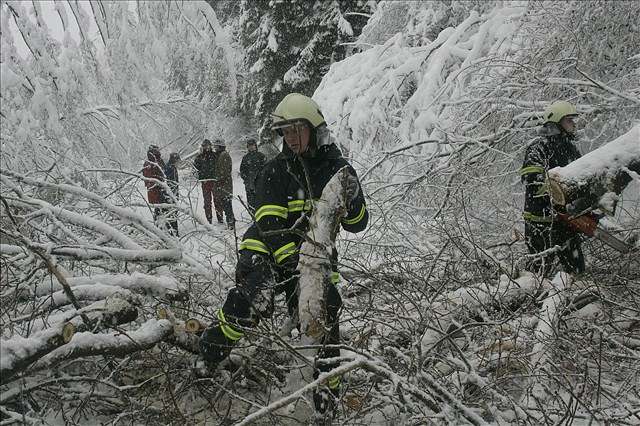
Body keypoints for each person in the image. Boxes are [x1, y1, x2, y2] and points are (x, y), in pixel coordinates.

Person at [199, 93, 369, 415]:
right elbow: (271, 225)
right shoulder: (275, 170)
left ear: (314, 128)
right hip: (265, 249)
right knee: (255, 296)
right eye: (285, 132)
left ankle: (326, 401)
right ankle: (208, 352)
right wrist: (298, 266)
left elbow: (358, 224)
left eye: (296, 130)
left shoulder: (338, 169)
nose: (290, 138)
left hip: (313, 259)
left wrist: (353, 198)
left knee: (325, 312)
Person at [520, 100, 585, 276]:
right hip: (540, 223)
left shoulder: (570, 149)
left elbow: (580, 179)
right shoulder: (538, 147)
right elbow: (532, 180)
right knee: (538, 275)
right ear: (556, 122)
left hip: (565, 222)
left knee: (576, 271)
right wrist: (555, 190)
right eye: (569, 120)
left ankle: (574, 299)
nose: (573, 124)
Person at [213, 139, 236, 229]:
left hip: (225, 185)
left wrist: (220, 180)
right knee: (225, 204)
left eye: (216, 146)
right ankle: (230, 222)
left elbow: (225, 171)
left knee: (227, 205)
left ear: (220, 146)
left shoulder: (224, 155)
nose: (215, 148)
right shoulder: (219, 155)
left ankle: (231, 223)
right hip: (222, 184)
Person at [193, 139, 217, 224]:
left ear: (210, 146)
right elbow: (195, 169)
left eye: (208, 145)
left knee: (217, 200)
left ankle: (220, 218)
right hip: (205, 182)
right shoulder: (199, 157)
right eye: (205, 146)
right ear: (202, 147)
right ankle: (209, 219)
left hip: (214, 181)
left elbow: (219, 167)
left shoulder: (215, 155)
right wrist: (201, 177)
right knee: (207, 202)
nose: (207, 147)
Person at [239, 137, 266, 212]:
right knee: (251, 204)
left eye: (252, 145)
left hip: (260, 185)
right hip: (249, 185)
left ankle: (261, 221)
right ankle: (253, 219)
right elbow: (242, 170)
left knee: (261, 203)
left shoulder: (261, 156)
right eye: (249, 146)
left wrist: (260, 179)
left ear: (255, 146)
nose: (251, 147)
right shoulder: (245, 158)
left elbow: (266, 169)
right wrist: (246, 180)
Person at [142, 145, 167, 225]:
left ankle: (160, 226)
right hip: (157, 189)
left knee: (159, 209)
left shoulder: (150, 162)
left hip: (155, 189)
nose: (158, 151)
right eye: (157, 150)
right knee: (159, 209)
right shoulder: (154, 162)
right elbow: (162, 173)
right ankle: (159, 227)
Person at [164, 152, 181, 236]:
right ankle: (173, 232)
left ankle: (173, 231)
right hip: (171, 195)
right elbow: (171, 183)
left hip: (172, 194)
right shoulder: (170, 168)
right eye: (178, 160)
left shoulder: (171, 167)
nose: (179, 162)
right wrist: (174, 196)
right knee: (172, 213)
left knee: (172, 213)